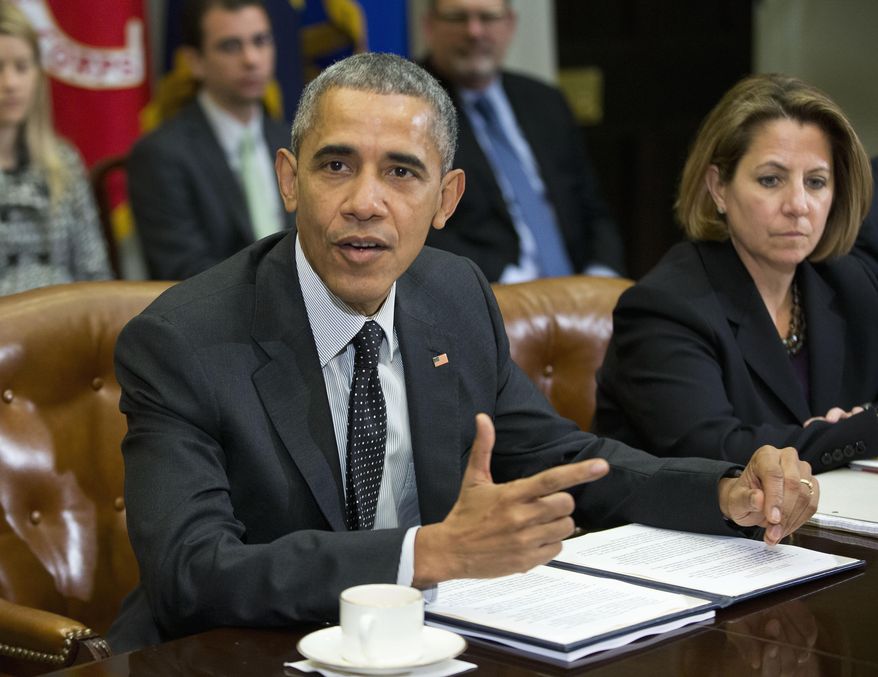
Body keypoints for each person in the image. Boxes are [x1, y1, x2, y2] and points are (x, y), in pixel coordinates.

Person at [107, 54, 817, 653]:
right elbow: (190, 572)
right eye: (336, 165)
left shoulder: (452, 295)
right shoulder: (183, 342)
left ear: (446, 198)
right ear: (290, 180)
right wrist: (427, 554)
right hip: (240, 655)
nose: (364, 201)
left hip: (426, 647)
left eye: (402, 173)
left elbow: (560, 458)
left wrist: (722, 490)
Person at [594, 74, 878, 473]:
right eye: (771, 179)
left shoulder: (850, 283)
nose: (798, 205)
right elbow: (716, 450)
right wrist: (859, 432)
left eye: (816, 182)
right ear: (719, 188)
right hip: (687, 532)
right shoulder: (666, 306)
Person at [420, 0, 624, 282]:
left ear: (510, 25)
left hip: (581, 296)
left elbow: (592, 208)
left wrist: (602, 276)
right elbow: (416, 224)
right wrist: (507, 282)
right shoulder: (411, 108)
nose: (475, 31)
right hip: (489, 295)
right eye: (458, 18)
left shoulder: (545, 100)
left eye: (488, 17)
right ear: (430, 26)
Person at [128, 0, 294, 281]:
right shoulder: (160, 155)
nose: (252, 59)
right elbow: (184, 271)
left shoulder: (293, 140)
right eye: (231, 46)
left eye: (261, 41)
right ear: (195, 62)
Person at [0, 1, 111, 295]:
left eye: (22, 67)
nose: (10, 83)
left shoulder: (64, 160)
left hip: (67, 328)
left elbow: (95, 272)